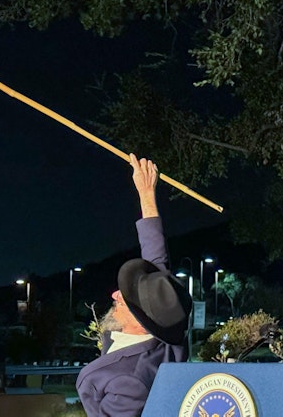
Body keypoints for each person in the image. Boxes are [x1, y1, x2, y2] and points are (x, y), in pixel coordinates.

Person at [76, 154, 192, 417]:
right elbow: (156, 258)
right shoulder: (164, 328)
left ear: (141, 322)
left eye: (123, 300)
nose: (115, 294)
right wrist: (146, 193)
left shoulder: (132, 382)